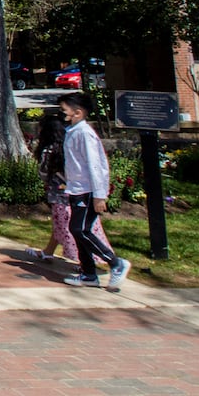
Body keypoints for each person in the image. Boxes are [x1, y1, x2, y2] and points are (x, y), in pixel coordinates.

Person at [58, 91, 132, 288]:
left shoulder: (84, 134)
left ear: (78, 113)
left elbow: (95, 165)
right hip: (76, 189)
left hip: (87, 191)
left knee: (79, 229)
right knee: (79, 231)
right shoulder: (73, 132)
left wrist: (100, 196)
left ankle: (116, 263)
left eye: (65, 110)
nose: (62, 113)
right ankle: (89, 273)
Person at [26, 109, 112, 267]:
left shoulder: (49, 151)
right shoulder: (68, 147)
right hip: (81, 193)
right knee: (70, 226)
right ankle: (48, 252)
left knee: (71, 230)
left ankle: (96, 263)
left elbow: (44, 173)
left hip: (61, 196)